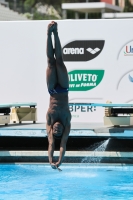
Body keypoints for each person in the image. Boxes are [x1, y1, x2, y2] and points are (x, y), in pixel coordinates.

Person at [46, 21, 71, 170]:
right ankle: (56, 33)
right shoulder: (67, 120)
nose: (56, 129)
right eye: (58, 130)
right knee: (60, 62)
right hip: (63, 89)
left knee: (50, 62)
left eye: (55, 130)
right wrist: (60, 160)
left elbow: (51, 143)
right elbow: (62, 144)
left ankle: (48, 34)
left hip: (52, 90)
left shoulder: (49, 121)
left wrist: (51, 160)